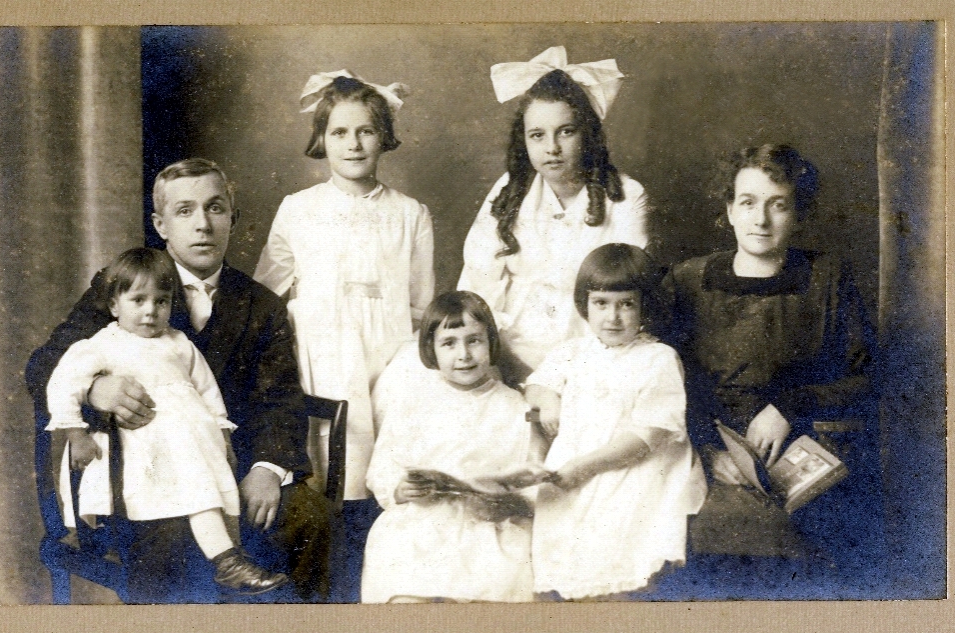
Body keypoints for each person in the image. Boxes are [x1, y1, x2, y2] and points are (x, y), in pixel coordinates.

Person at [26, 158, 330, 603]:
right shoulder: (125, 285)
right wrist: (95, 390)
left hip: (234, 466)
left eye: (215, 208)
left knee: (309, 516)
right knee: (166, 536)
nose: (203, 225)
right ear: (161, 224)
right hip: (142, 466)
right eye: (185, 211)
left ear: (233, 219)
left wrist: (267, 469)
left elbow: (281, 401)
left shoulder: (261, 305)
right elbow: (43, 366)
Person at [660, 144, 879, 592]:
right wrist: (709, 451)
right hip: (711, 458)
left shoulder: (828, 278)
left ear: (797, 212)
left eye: (778, 205)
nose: (761, 220)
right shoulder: (686, 280)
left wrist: (789, 405)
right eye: (748, 202)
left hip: (804, 453)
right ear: (730, 209)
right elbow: (661, 382)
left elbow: (869, 377)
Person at [252, 72, 434, 602]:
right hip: (323, 358)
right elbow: (266, 296)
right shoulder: (298, 209)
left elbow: (421, 306)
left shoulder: (410, 214)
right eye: (339, 132)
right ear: (322, 139)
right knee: (326, 487)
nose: (353, 144)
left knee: (375, 489)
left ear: (384, 138)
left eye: (366, 131)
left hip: (387, 358)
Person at [45, 247, 288, 595]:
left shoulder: (180, 343)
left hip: (188, 452)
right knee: (193, 496)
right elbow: (63, 383)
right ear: (115, 306)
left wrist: (223, 435)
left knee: (200, 491)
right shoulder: (102, 345)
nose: (149, 311)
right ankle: (226, 560)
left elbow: (208, 392)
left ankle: (228, 562)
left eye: (161, 301)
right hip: (140, 455)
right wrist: (76, 432)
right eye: (138, 300)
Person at [505, 243, 705, 600]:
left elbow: (647, 437)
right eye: (601, 303)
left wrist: (584, 466)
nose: (612, 317)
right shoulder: (573, 350)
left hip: (632, 464)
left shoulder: (657, 358)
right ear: (585, 304)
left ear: (645, 305)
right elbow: (536, 385)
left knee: (617, 546)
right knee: (561, 544)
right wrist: (548, 399)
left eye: (626, 304)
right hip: (576, 466)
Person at [458, 46, 649, 386]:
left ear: (587, 133)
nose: (552, 148)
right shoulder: (510, 189)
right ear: (525, 140)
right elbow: (478, 281)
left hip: (589, 349)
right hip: (508, 348)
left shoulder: (625, 196)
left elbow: (626, 290)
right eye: (537, 135)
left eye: (566, 131)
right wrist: (490, 356)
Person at [361, 291, 535, 603]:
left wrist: (506, 500)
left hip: (489, 528)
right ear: (431, 349)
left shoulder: (514, 406)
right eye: (449, 343)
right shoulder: (412, 402)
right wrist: (399, 488)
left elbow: (532, 478)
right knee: (406, 587)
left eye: (474, 340)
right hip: (421, 524)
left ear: (492, 343)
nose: (464, 354)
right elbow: (382, 468)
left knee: (491, 589)